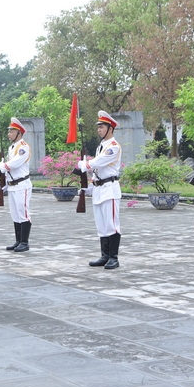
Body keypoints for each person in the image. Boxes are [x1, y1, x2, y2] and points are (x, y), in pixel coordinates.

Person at [79, 110, 123, 269]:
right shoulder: (101, 146)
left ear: (110, 128)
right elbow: (98, 169)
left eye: (102, 127)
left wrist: (86, 165)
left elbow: (100, 162)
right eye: (98, 127)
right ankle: (105, 255)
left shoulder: (113, 146)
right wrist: (90, 186)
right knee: (101, 225)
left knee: (111, 224)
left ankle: (114, 257)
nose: (99, 130)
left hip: (109, 190)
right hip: (99, 189)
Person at [0, 117, 32, 252]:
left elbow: (15, 163)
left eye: (11, 131)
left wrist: (2, 166)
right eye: (9, 131)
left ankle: (25, 242)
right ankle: (18, 240)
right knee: (15, 214)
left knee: (23, 213)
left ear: (19, 132)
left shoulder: (23, 147)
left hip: (22, 185)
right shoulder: (12, 147)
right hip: (12, 185)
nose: (8, 134)